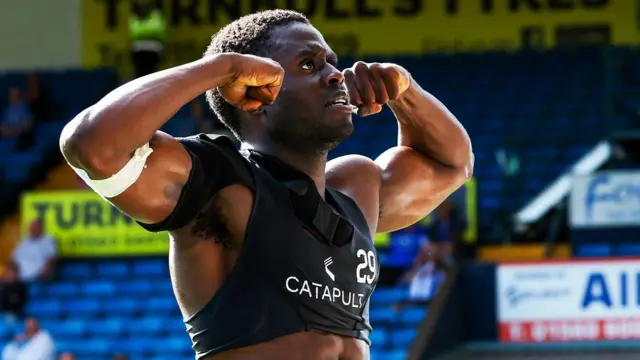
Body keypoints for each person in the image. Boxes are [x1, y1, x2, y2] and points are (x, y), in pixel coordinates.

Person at [59, 10, 473, 360]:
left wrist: (405, 91)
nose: (336, 76)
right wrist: (220, 69)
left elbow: (453, 164)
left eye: (332, 62)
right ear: (253, 93)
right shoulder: (217, 180)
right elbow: (91, 145)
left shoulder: (356, 187)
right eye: (309, 65)